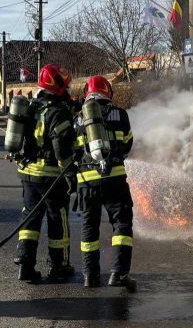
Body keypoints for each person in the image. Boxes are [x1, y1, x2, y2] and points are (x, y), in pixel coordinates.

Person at [14, 63, 77, 283]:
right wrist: (69, 173)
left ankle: (25, 264)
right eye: (64, 85)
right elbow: (61, 148)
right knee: (57, 219)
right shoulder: (58, 112)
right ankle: (59, 267)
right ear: (57, 86)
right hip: (52, 176)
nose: (67, 89)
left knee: (30, 218)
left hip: (28, 174)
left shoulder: (30, 107)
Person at [74, 75, 136, 291]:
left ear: (86, 93)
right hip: (115, 180)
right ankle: (119, 274)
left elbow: (74, 149)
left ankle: (90, 276)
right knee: (121, 225)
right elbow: (128, 145)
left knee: (89, 228)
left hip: (87, 183)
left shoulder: (79, 117)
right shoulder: (121, 114)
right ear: (108, 92)